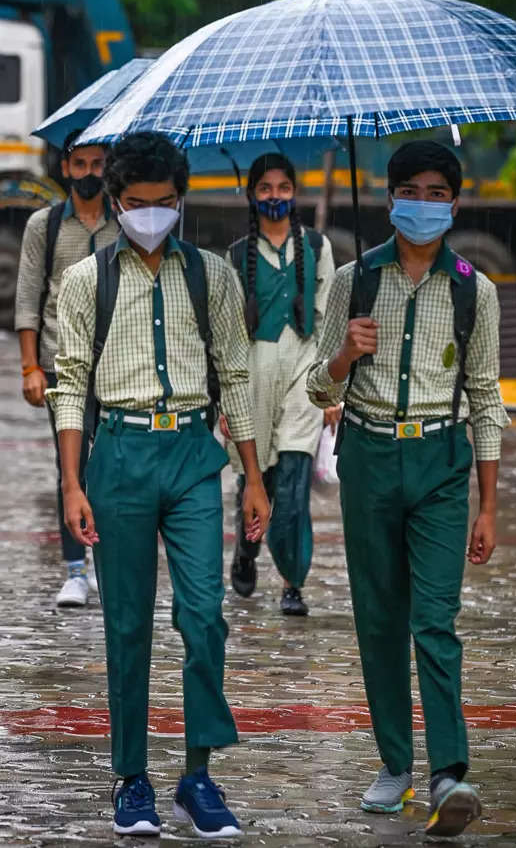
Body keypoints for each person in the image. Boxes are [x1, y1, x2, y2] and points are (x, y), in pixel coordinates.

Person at [47, 132, 270, 839]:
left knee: (204, 617)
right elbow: (70, 382)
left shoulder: (210, 276)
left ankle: (198, 777)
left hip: (193, 457)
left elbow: (235, 374)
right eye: (137, 204)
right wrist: (72, 484)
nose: (151, 215)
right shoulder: (89, 279)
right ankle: (131, 779)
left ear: (183, 199)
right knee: (127, 624)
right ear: (115, 202)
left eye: (165, 203)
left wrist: (256, 480)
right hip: (117, 456)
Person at [307, 140, 510, 837]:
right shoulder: (352, 283)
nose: (421, 205)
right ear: (389, 197)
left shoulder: (473, 291)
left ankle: (449, 770)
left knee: (435, 618)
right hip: (367, 454)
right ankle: (395, 763)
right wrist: (345, 353)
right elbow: (315, 384)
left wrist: (489, 504)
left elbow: (485, 398)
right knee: (381, 617)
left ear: (454, 203)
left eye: (435, 192)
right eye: (409, 191)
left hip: (443, 464)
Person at [220, 153, 338, 616]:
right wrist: (224, 406)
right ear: (252, 194)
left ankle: (293, 580)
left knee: (292, 485)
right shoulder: (233, 257)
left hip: (304, 377)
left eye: (283, 188)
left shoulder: (318, 247)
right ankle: (246, 550)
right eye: (265, 188)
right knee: (256, 478)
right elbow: (226, 336)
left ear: (295, 192)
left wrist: (332, 392)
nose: (275, 197)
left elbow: (328, 323)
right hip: (251, 377)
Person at [15, 130, 118, 607]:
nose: (90, 173)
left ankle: (109, 560)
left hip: (118, 364)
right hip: (62, 364)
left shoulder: (126, 223)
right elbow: (28, 296)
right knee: (70, 465)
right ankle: (75, 569)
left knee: (115, 464)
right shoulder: (45, 225)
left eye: (99, 164)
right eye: (81, 164)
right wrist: (29, 367)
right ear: (65, 169)